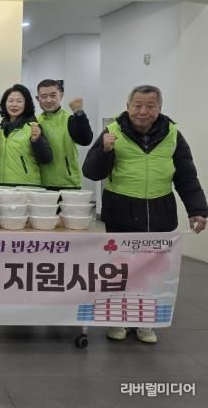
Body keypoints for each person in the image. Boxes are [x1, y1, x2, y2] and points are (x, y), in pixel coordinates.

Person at [83, 84, 208, 344]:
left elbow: (186, 176)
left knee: (152, 271)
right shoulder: (113, 131)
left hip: (160, 212)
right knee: (120, 269)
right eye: (137, 105)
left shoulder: (173, 134)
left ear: (159, 108)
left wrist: (197, 209)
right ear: (127, 107)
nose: (143, 111)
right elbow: (92, 173)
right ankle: (118, 320)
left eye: (150, 106)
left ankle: (144, 321)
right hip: (122, 212)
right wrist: (103, 151)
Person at [35, 79, 93, 190]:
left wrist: (79, 113)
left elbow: (86, 140)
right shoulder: (35, 122)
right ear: (38, 99)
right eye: (44, 96)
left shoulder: (70, 119)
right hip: (40, 185)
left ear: (61, 95)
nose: (48, 100)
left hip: (67, 184)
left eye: (53, 95)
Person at [0, 84, 52, 186]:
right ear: (4, 103)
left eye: (19, 101)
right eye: (10, 101)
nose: (14, 105)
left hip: (26, 185)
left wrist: (36, 141)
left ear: (26, 104)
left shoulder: (33, 126)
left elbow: (46, 158)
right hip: (1, 185)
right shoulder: (0, 128)